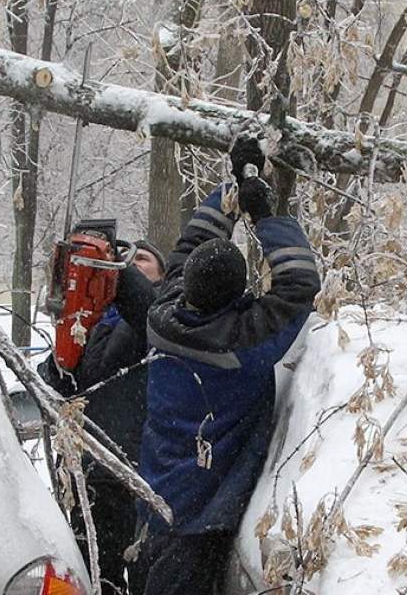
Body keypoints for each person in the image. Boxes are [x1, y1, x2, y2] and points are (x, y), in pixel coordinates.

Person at [137, 137, 321, 594]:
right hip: (202, 518)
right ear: (239, 296)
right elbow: (299, 283)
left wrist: (234, 189)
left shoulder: (162, 314)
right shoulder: (243, 344)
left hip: (156, 499)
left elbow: (195, 240)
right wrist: (265, 215)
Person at [39, 240, 166, 595]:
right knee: (96, 578)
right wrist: (63, 349)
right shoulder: (93, 319)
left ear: (162, 274)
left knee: (143, 577)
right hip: (91, 473)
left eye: (142, 259)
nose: (132, 263)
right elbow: (59, 384)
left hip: (138, 473)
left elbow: (146, 311)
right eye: (127, 259)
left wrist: (115, 270)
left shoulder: (162, 315)